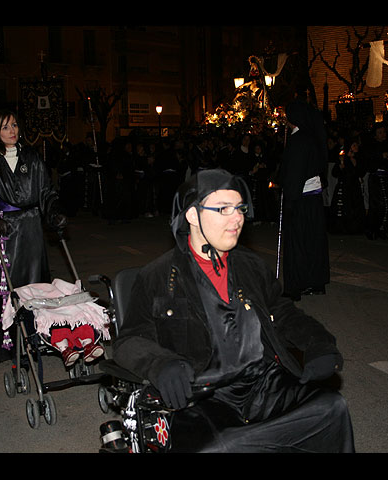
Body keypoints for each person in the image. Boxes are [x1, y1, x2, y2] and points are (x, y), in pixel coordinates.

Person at [113, 168, 354, 453]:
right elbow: (129, 340)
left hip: (263, 382)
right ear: (192, 215)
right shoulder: (158, 276)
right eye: (223, 209)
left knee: (332, 408)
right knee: (226, 445)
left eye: (239, 208)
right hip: (204, 395)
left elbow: (283, 313)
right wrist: (160, 363)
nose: (237, 218)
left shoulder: (251, 266)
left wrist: (319, 343)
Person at [0, 110, 67, 364]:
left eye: (15, 125)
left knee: (35, 286)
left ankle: (36, 340)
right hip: (4, 231)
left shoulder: (32, 157)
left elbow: (46, 192)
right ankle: (10, 346)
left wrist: (54, 214)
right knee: (8, 290)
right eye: (5, 127)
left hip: (30, 230)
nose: (12, 131)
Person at [278, 98, 330, 301]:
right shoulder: (312, 137)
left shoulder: (299, 140)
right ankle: (315, 282)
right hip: (313, 199)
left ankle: (295, 286)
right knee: (313, 240)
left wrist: (288, 201)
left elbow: (294, 175)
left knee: (297, 243)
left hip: (300, 198)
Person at [363, 123, 388, 239]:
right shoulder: (371, 147)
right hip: (376, 179)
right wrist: (381, 156)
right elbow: (369, 162)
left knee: (386, 204)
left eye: (384, 132)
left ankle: (382, 228)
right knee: (376, 205)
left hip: (386, 178)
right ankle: (372, 229)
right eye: (380, 133)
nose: (383, 135)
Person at [328, 137, 366, 234]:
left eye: (357, 145)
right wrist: (341, 164)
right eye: (354, 145)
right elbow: (335, 173)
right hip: (344, 187)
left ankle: (354, 228)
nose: (356, 147)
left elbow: (361, 172)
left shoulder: (358, 158)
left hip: (354, 187)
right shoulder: (343, 158)